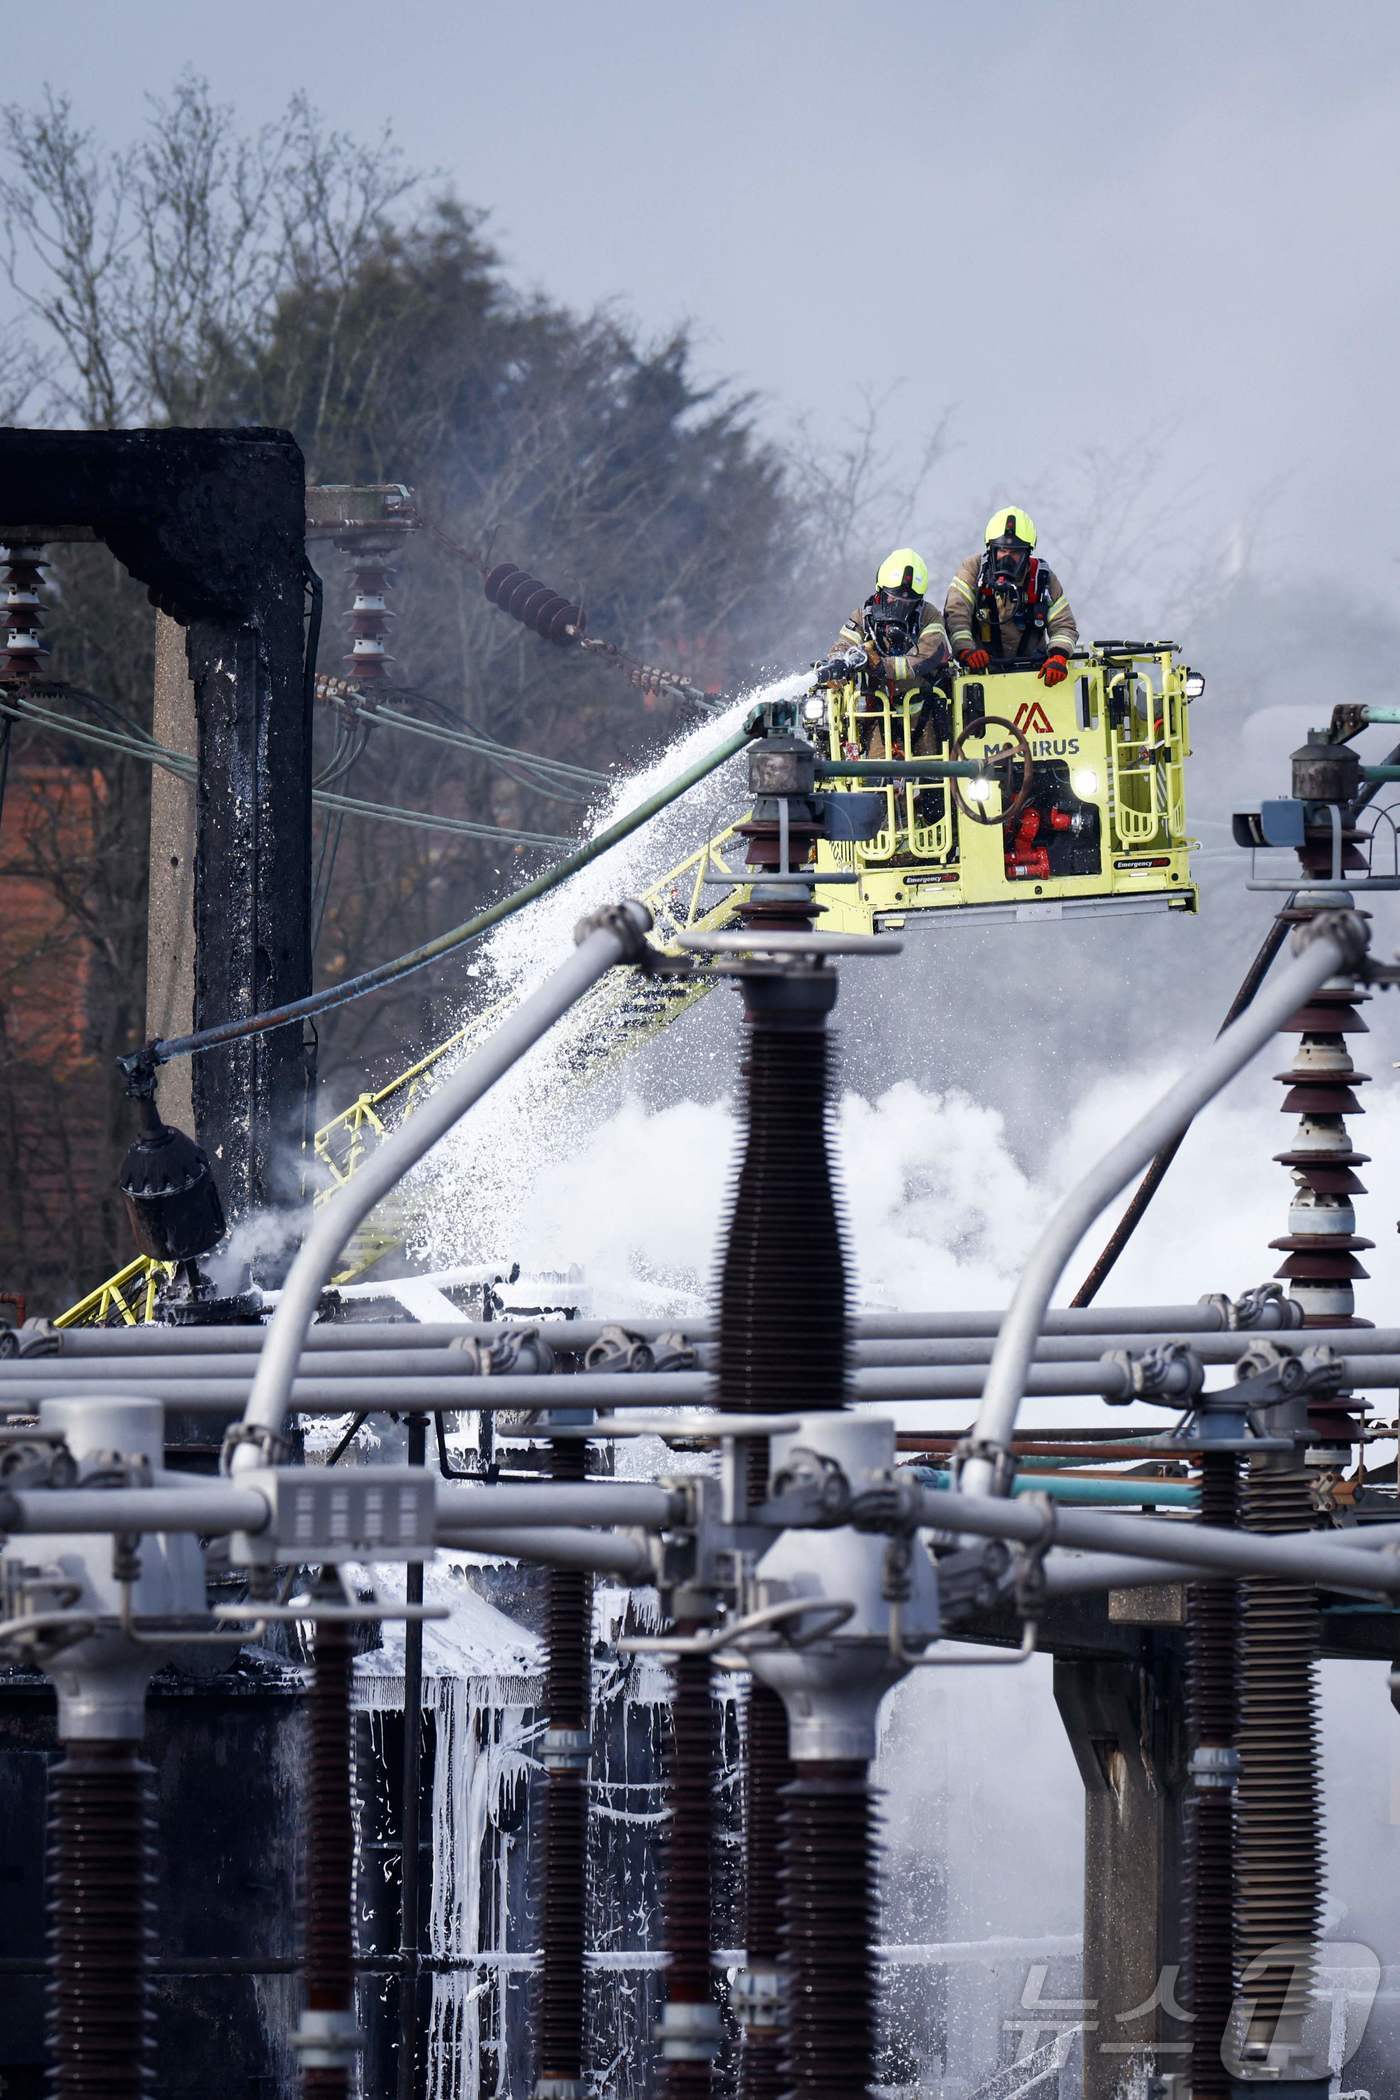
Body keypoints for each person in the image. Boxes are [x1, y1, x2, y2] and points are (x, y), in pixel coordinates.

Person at [944, 508, 1078, 685]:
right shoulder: (974, 570)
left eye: (1014, 553)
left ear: (1027, 553)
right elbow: (956, 612)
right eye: (1002, 551)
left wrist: (1059, 656)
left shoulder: (1042, 578)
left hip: (1034, 678)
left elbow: (1064, 624)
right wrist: (966, 650)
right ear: (991, 550)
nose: (1007, 558)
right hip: (980, 677)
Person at [831, 547, 951, 696]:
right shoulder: (863, 615)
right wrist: (837, 662)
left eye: (907, 602)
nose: (899, 607)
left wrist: (883, 666)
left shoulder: (930, 616)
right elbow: (844, 643)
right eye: (893, 599)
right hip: (869, 699)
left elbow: (925, 656)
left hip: (920, 699)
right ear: (880, 591)